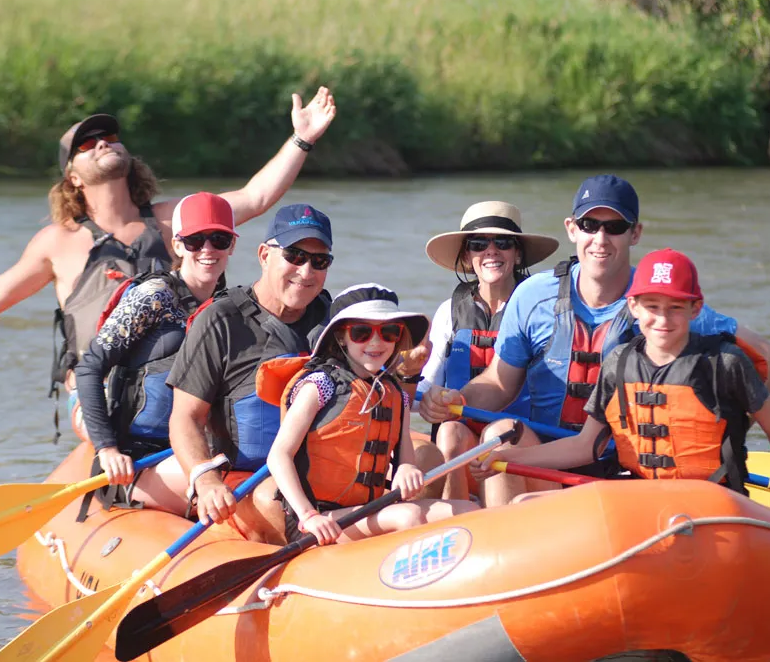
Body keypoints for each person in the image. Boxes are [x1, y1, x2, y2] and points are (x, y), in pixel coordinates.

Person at [0, 87, 337, 410]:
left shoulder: (172, 222)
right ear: (73, 177)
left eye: (110, 137)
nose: (104, 142)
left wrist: (302, 139)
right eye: (87, 144)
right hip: (99, 391)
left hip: (185, 382)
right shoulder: (59, 242)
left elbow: (255, 197)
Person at [420, 174, 770, 507]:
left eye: (614, 227)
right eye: (589, 225)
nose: (600, 239)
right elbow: (500, 383)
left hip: (626, 470)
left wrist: (720, 437)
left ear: (635, 233)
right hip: (545, 461)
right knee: (502, 434)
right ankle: (505, 552)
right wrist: (457, 399)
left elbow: (768, 359)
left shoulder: (660, 306)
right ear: (572, 229)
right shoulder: (533, 296)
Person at [471, 249, 770, 522]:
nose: (662, 320)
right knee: (526, 501)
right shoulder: (618, 364)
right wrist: (511, 458)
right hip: (638, 497)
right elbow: (584, 446)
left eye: (675, 308)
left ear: (696, 309)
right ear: (633, 307)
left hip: (710, 499)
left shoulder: (726, 364)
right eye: (652, 307)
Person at [162, 204, 337, 543]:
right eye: (295, 255)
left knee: (427, 456)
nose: (306, 271)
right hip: (252, 476)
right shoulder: (220, 320)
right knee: (277, 498)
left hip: (322, 467)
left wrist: (410, 373)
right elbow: (184, 417)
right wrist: (205, 480)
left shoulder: (336, 320)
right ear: (264, 255)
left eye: (320, 261)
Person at [262, 284, 479, 544]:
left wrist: (406, 470)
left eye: (388, 332)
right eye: (362, 332)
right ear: (341, 337)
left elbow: (405, 459)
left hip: (368, 511)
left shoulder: (395, 393)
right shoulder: (319, 385)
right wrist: (308, 515)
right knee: (407, 516)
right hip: (319, 519)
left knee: (469, 511)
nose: (376, 343)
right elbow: (278, 455)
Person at [72, 192, 237, 513]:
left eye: (218, 239)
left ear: (231, 246)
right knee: (224, 482)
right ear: (177, 246)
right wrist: (107, 449)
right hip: (140, 456)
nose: (207, 249)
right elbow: (90, 368)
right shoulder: (153, 296)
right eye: (194, 240)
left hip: (195, 449)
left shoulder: (230, 307)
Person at [417, 201, 559, 501]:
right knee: (449, 432)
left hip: (521, 441)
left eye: (503, 243)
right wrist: (423, 394)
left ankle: (499, 524)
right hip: (464, 440)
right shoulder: (449, 312)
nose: (491, 252)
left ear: (517, 253)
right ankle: (455, 519)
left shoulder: (540, 310)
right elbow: (425, 388)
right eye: (479, 244)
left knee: (498, 437)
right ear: (467, 257)